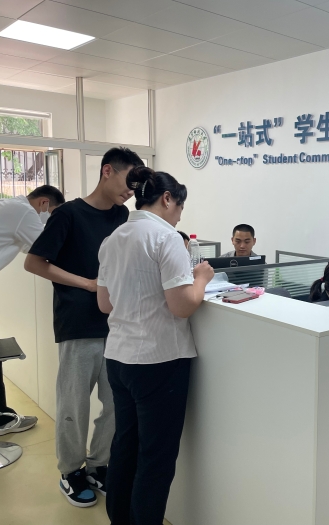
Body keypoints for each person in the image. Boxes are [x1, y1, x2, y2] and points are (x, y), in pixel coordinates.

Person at [25, 147, 144, 508]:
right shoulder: (68, 214)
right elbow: (34, 263)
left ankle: (98, 463)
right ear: (107, 171)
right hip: (77, 324)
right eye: (129, 181)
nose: (132, 191)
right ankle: (70, 470)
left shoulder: (123, 215)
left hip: (117, 325)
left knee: (115, 405)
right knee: (73, 405)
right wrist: (88, 284)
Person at [97, 167, 214, 525]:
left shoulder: (113, 238)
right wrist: (201, 278)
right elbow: (182, 306)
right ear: (167, 199)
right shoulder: (166, 238)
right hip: (160, 361)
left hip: (118, 358)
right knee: (155, 460)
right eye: (180, 208)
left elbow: (105, 303)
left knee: (125, 447)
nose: (179, 217)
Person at [0, 185, 65, 438]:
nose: (49, 222)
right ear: (43, 203)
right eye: (52, 215)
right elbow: (48, 248)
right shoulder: (24, 212)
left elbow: (29, 248)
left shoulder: (9, 206)